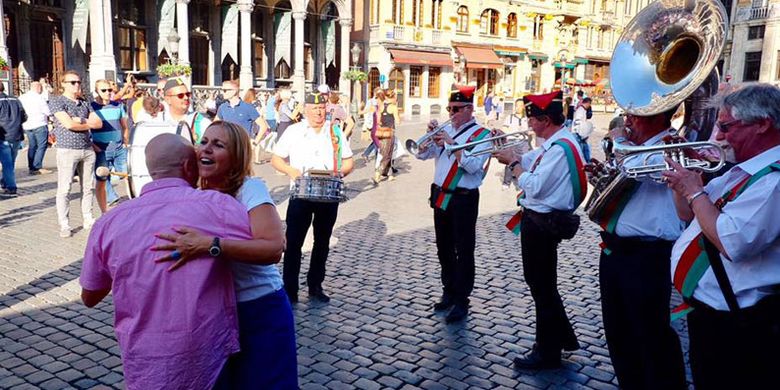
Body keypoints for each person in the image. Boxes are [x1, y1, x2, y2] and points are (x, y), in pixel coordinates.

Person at [79, 133, 250, 389]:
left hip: (145, 357)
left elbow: (90, 296)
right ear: (188, 167)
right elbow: (263, 249)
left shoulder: (108, 222)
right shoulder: (219, 206)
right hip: (208, 353)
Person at [150, 121, 296, 388]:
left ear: (236, 156)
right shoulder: (193, 192)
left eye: (218, 145)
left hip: (257, 308)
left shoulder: (249, 189)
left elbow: (274, 247)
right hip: (212, 312)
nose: (206, 149)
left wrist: (210, 245)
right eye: (204, 142)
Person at [664, 84, 780, 390]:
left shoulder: (774, 180)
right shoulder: (740, 171)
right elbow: (690, 216)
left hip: (737, 325)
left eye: (727, 127)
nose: (719, 137)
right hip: (711, 313)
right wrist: (682, 182)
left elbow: (731, 243)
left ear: (763, 125)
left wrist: (695, 190)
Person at [590, 104, 688, 388]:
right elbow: (624, 174)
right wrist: (601, 175)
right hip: (615, 250)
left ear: (657, 116)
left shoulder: (672, 146)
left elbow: (636, 170)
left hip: (648, 254)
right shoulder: (637, 147)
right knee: (618, 332)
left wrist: (619, 140)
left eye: (634, 116)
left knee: (650, 334)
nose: (628, 121)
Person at [493, 90, 586, 369]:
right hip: (538, 222)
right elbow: (530, 157)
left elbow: (531, 184)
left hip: (542, 226)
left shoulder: (561, 148)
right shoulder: (556, 143)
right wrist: (506, 146)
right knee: (541, 285)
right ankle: (560, 338)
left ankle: (547, 350)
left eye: (532, 118)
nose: (528, 123)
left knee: (542, 286)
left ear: (545, 119)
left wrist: (512, 163)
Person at [414, 85, 492, 323]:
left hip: (463, 198)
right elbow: (420, 154)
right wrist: (427, 139)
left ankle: (461, 300)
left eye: (457, 109)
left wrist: (450, 142)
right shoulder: (447, 130)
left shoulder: (483, 135)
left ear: (469, 109)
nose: (452, 114)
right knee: (443, 247)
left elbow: (473, 166)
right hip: (441, 195)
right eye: (449, 108)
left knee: (464, 250)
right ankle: (448, 291)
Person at [271, 92, 354, 304]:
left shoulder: (335, 132)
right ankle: (290, 290)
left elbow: (348, 162)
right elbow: (276, 159)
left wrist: (339, 173)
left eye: (322, 107)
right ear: (305, 109)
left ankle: (315, 285)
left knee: (322, 242)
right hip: (301, 194)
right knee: (293, 243)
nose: (318, 112)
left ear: (326, 108)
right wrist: (292, 171)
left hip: (327, 196)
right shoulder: (294, 131)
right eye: (314, 108)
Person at [50, 70, 103, 237]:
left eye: (79, 82)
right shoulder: (57, 101)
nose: (77, 85)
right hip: (67, 149)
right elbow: (68, 125)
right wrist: (86, 123)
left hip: (87, 149)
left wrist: (80, 120)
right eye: (72, 82)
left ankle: (88, 218)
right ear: (63, 84)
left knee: (88, 187)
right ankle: (64, 224)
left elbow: (98, 123)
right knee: (65, 188)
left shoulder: (85, 102)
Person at [91, 79, 130, 212]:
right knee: (102, 177)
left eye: (110, 90)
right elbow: (86, 128)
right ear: (97, 91)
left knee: (126, 174)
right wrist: (92, 144)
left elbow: (125, 126)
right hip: (101, 149)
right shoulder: (92, 107)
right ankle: (110, 201)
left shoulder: (118, 106)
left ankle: (133, 198)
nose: (108, 92)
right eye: (104, 90)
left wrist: (125, 141)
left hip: (119, 148)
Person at [0, 83, 27, 197]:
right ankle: (5, 182)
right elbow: (24, 116)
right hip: (16, 134)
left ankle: (11, 186)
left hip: (3, 135)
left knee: (7, 163)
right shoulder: (15, 99)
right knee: (11, 161)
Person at [19, 81, 52, 175]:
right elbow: (47, 111)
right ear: (38, 87)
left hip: (27, 124)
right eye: (41, 88)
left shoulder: (22, 97)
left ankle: (31, 166)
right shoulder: (40, 98)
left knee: (32, 146)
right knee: (42, 145)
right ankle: (37, 166)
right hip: (39, 123)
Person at [501, 99, 531, 190]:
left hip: (523, 141)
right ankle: (506, 182)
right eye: (517, 105)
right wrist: (512, 132)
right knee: (510, 161)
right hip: (512, 140)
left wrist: (528, 133)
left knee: (523, 162)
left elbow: (532, 130)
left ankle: (520, 182)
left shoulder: (527, 119)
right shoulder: (510, 117)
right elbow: (504, 128)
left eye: (521, 105)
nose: (518, 107)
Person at [373, 89, 400, 184]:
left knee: (384, 152)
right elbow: (397, 121)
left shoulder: (380, 106)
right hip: (389, 132)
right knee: (387, 154)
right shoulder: (393, 107)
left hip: (381, 132)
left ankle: (389, 174)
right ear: (392, 97)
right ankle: (378, 174)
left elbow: (378, 120)